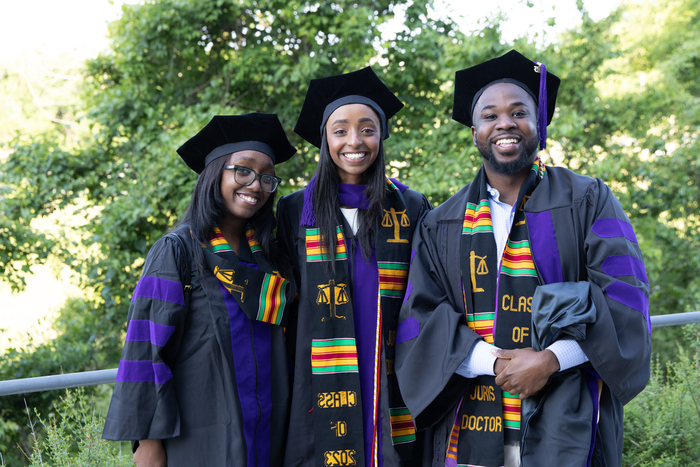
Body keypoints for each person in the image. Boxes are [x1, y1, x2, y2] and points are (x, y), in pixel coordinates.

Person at [395, 50, 652, 467]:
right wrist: (495, 362)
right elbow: (420, 318)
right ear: (475, 130)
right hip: (471, 421)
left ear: (539, 123)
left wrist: (551, 360)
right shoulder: (441, 222)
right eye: (490, 115)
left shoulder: (587, 200)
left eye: (519, 111)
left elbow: (626, 302)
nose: (505, 123)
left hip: (569, 416)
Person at [102, 113, 297, 467]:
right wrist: (148, 444)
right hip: (201, 436)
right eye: (243, 170)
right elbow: (147, 350)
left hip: (271, 432)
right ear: (214, 174)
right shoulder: (178, 250)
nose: (255, 184)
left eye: (266, 177)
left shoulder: (271, 258)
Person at [276, 67, 432, 467]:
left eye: (367, 129)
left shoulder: (410, 207)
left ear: (380, 136)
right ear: (326, 139)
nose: (354, 141)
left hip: (393, 371)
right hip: (320, 379)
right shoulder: (297, 211)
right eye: (340, 130)